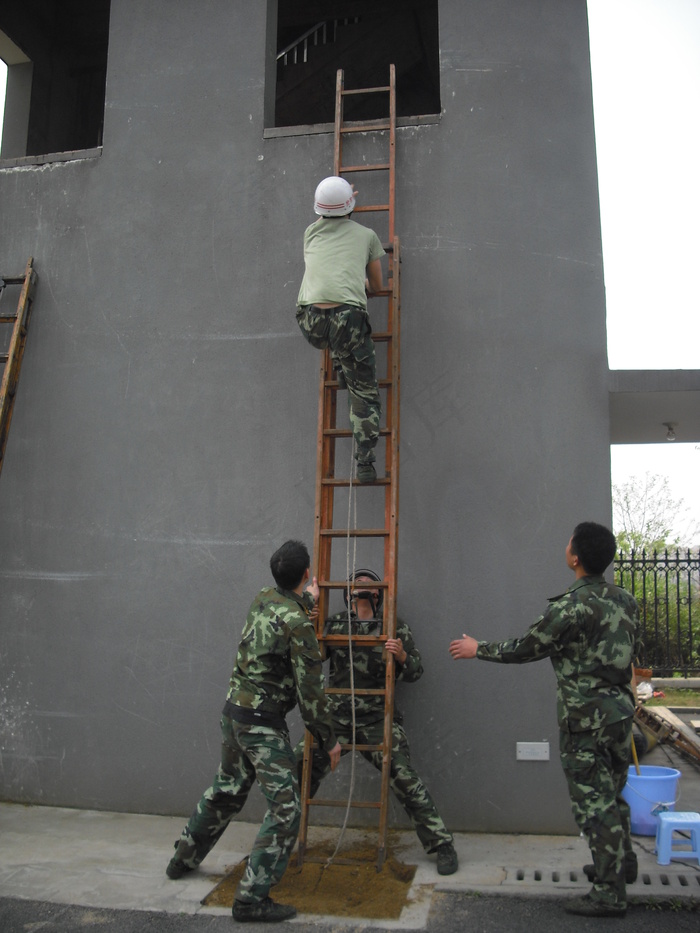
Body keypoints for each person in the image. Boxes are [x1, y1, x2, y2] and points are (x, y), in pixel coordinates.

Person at [449, 522, 640, 918]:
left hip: (585, 722)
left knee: (594, 805)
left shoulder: (570, 607)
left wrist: (476, 648)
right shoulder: (626, 600)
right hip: (621, 717)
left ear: (575, 557)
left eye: (569, 542)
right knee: (614, 794)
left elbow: (526, 648)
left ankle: (608, 893)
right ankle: (621, 866)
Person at [165, 540, 341, 924]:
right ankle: (250, 900)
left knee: (226, 789)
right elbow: (311, 694)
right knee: (287, 809)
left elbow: (285, 612)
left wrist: (306, 601)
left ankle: (182, 859)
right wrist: (329, 740)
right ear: (307, 575)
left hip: (233, 715)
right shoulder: (299, 625)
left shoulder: (262, 598)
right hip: (261, 725)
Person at [297, 569, 459, 875]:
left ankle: (442, 844)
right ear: (348, 594)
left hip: (377, 718)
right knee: (299, 766)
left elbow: (415, 672)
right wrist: (310, 622)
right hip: (338, 719)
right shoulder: (335, 623)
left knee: (404, 776)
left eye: (369, 586)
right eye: (356, 586)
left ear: (378, 594)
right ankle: (279, 836)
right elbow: (312, 658)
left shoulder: (393, 625)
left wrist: (400, 656)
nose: (362, 590)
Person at [296, 175, 385, 484]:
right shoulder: (367, 236)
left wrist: (341, 200)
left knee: (337, 329)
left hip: (311, 322)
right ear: (351, 206)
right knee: (364, 391)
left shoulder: (310, 233)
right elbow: (377, 285)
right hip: (347, 323)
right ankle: (365, 463)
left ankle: (340, 364)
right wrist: (361, 283)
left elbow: (329, 217)